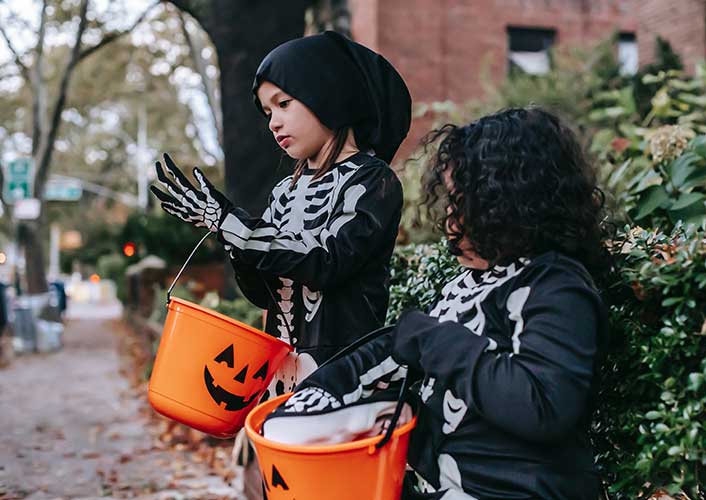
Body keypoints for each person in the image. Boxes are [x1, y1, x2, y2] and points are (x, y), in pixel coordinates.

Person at [264, 107, 610, 500]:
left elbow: (544, 404)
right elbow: (401, 347)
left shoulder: (557, 287)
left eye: (461, 201)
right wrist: (324, 390)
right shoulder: (472, 281)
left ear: (512, 204)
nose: (449, 216)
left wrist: (434, 341)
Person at [150, 30, 411, 497]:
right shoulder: (284, 191)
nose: (273, 122)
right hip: (277, 380)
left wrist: (235, 226)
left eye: (284, 103)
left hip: (340, 384)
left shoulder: (374, 183)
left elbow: (329, 260)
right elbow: (263, 290)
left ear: (326, 95)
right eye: (267, 111)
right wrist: (231, 235)